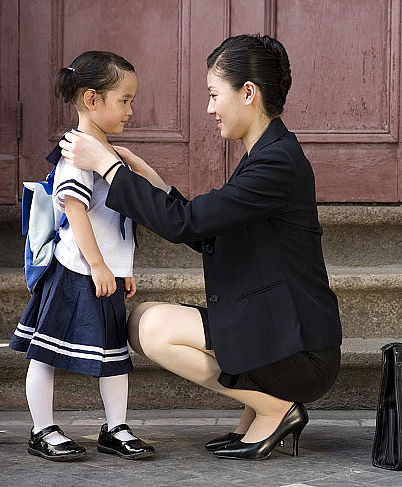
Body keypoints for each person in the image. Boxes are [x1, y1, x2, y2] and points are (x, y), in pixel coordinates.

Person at [59, 34, 343, 461]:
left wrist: (109, 167)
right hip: (279, 333)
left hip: (299, 349)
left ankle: (275, 408)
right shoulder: (267, 155)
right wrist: (153, 182)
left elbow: (185, 224)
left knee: (152, 328)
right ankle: (259, 408)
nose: (209, 108)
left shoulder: (277, 163)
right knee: (142, 319)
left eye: (213, 94)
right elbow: (206, 231)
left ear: (248, 93)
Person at [10, 51, 155, 461]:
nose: (130, 110)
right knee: (45, 351)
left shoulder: (106, 153)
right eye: (124, 100)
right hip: (75, 272)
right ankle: (42, 429)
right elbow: (75, 211)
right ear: (92, 100)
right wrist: (97, 265)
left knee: (114, 355)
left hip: (103, 273)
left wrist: (120, 268)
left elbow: (113, 219)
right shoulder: (76, 152)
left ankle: (116, 427)